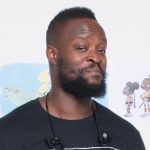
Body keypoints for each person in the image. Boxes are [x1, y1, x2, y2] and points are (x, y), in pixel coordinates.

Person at [0, 7, 145, 150]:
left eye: (101, 50)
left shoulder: (126, 136)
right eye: (82, 48)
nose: (96, 57)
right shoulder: (8, 134)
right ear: (53, 55)